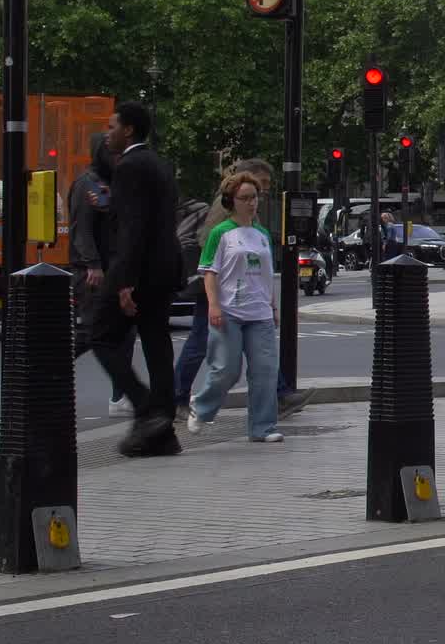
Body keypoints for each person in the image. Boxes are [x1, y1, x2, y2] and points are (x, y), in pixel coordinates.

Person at [184, 158, 310, 421]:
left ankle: (272, 408)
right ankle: (183, 398)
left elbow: (263, 270)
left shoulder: (256, 223)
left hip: (247, 297)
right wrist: (218, 294)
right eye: (261, 184)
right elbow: (210, 244)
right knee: (213, 357)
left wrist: (270, 305)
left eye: (261, 190)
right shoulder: (225, 210)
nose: (262, 193)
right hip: (223, 291)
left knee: (261, 360)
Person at [92, 102, 183, 458]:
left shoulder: (128, 167)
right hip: (165, 267)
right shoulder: (161, 165)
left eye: (112, 125)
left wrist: (124, 282)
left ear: (128, 130)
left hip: (138, 269)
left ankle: (146, 409)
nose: (107, 132)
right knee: (156, 341)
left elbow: (132, 228)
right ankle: (162, 428)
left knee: (99, 334)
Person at [185, 173, 282, 442]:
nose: (251, 203)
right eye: (245, 198)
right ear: (231, 201)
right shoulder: (221, 233)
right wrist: (214, 306)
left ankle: (263, 428)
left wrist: (272, 306)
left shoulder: (262, 235)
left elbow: (266, 273)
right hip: (229, 311)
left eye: (255, 197)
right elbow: (209, 272)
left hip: (259, 312)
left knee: (265, 371)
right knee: (226, 370)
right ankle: (201, 407)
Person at [70, 136, 135, 413]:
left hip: (115, 270)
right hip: (93, 273)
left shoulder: (114, 184)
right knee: (90, 333)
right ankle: (45, 373)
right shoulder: (87, 184)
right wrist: (92, 264)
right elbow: (81, 229)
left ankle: (119, 396)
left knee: (125, 333)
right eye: (114, 153)